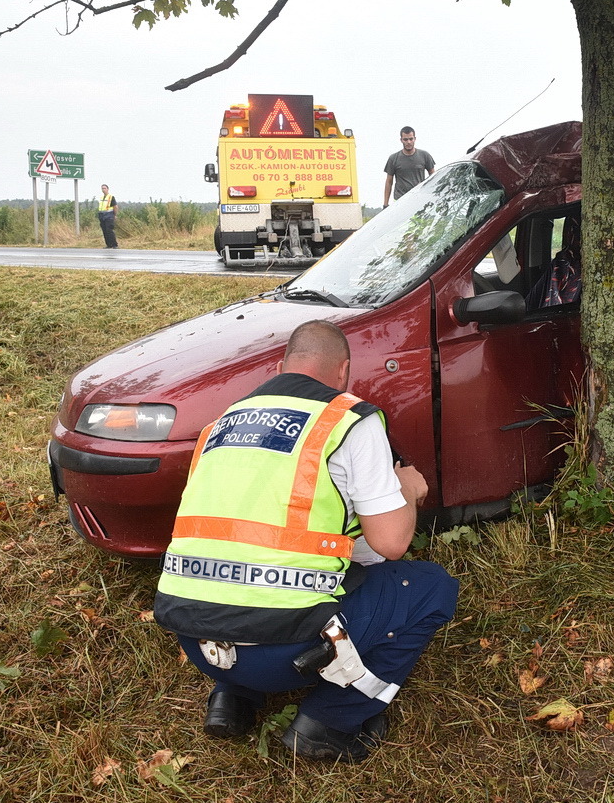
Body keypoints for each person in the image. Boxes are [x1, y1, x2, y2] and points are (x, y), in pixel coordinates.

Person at [153, 320, 457, 763]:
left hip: (195, 641)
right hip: (284, 653)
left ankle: (234, 699)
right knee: (432, 587)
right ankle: (328, 723)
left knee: (253, 581)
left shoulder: (220, 424)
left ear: (281, 369)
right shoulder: (347, 418)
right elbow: (392, 544)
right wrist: (407, 488)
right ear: (343, 372)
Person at [382, 127, 436, 207]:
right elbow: (389, 182)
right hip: (400, 200)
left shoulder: (425, 156)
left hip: (419, 200)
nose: (408, 142)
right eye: (405, 139)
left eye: (411, 139)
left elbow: (434, 177)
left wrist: (432, 197)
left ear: (415, 139)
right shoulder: (393, 158)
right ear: (401, 140)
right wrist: (385, 204)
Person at [96, 184, 119, 248]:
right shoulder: (101, 198)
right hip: (102, 215)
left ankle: (114, 244)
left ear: (107, 189)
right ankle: (108, 245)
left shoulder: (111, 197)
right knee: (104, 231)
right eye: (102, 188)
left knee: (109, 230)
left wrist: (115, 214)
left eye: (104, 188)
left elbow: (115, 207)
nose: (103, 189)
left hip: (109, 215)